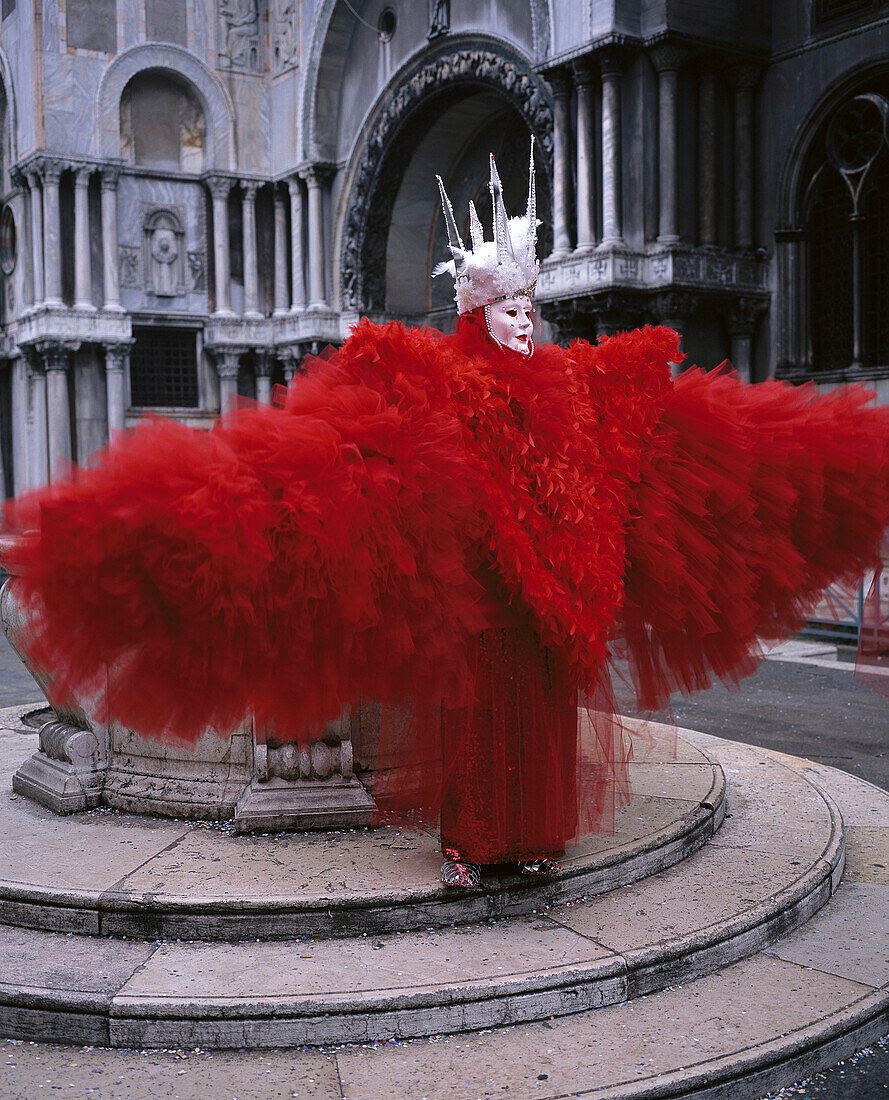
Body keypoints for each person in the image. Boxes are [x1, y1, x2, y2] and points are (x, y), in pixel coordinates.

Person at [5, 142, 889, 890]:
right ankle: (473, 843)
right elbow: (387, 447)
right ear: (479, 310)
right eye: (510, 307)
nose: (525, 322)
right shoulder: (441, 379)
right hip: (479, 588)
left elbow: (590, 457)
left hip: (548, 588)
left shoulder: (560, 384)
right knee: (478, 714)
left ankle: (531, 839)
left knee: (537, 713)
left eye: (532, 307)